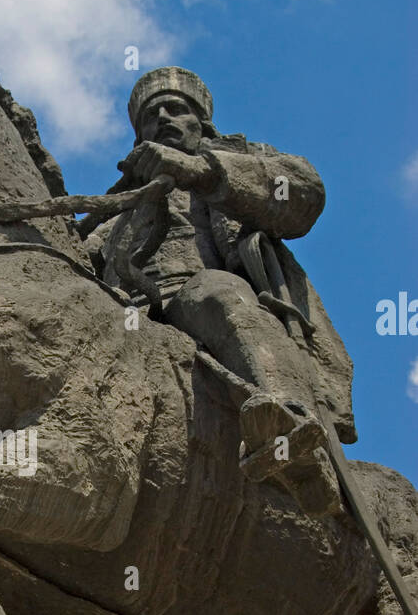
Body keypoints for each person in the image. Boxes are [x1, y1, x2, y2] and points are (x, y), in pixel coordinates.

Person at [84, 67, 355, 515]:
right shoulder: (116, 209)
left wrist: (202, 173)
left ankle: (291, 429)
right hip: (128, 313)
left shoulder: (235, 161)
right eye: (153, 115)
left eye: (177, 109)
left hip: (195, 293)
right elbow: (80, 258)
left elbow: (305, 194)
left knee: (222, 295)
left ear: (202, 123)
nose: (165, 117)